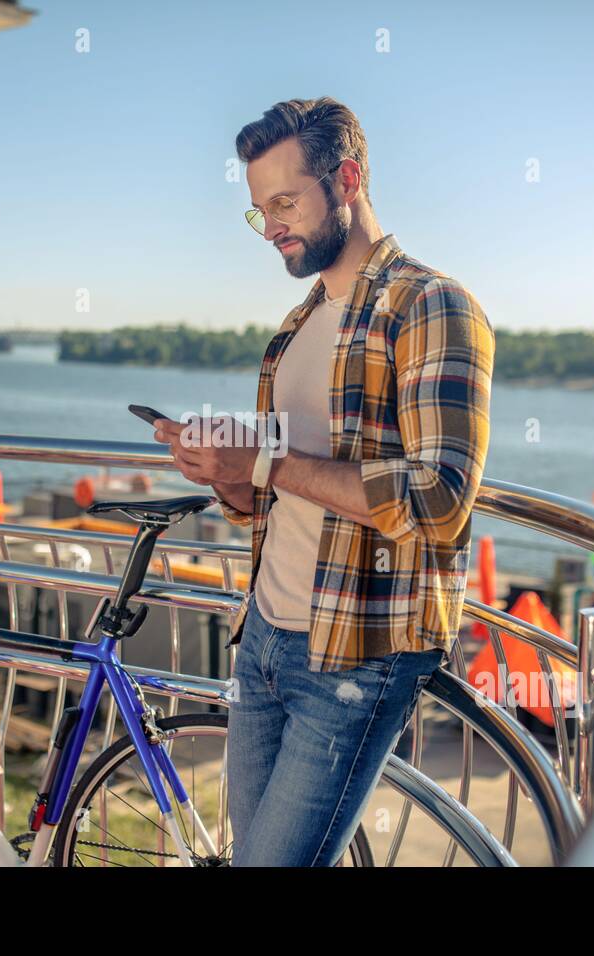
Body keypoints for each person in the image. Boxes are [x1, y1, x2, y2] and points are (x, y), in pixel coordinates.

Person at [152, 97, 495, 866]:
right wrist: (227, 474)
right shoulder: (294, 328)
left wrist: (262, 462)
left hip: (356, 653)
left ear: (347, 177)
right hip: (263, 639)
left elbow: (439, 500)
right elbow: (271, 498)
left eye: (283, 201)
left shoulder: (431, 305)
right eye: (257, 212)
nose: (270, 225)